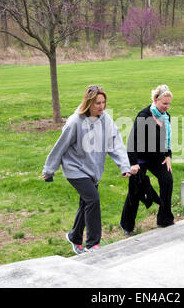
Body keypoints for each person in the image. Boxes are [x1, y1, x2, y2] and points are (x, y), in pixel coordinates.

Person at [42, 85, 130, 254]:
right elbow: (60, 147)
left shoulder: (106, 120)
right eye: (98, 103)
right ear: (89, 103)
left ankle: (74, 236)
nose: (101, 106)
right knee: (93, 200)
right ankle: (92, 243)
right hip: (75, 168)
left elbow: (115, 143)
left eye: (103, 102)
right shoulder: (75, 122)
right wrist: (49, 170)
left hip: (93, 169)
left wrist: (124, 166)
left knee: (86, 203)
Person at [120, 85, 174, 235]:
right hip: (140, 158)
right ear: (155, 100)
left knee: (167, 180)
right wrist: (133, 163)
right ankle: (126, 225)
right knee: (135, 191)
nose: (167, 107)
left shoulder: (166, 117)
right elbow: (132, 141)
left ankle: (164, 219)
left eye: (169, 104)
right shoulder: (143, 116)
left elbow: (166, 140)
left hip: (156, 157)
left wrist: (168, 156)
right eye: (164, 104)